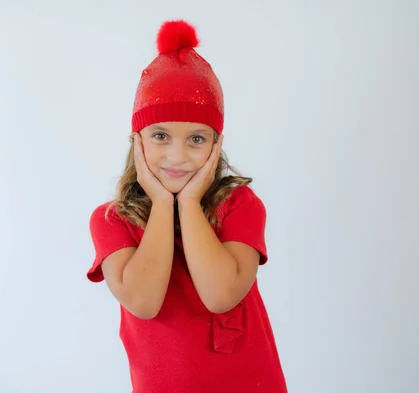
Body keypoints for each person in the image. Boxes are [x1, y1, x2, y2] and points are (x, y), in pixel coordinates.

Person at [86, 19, 287, 393]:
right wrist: (163, 202)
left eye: (196, 138)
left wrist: (190, 201)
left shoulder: (239, 205)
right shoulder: (112, 220)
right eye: (160, 136)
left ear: (216, 144)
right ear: (137, 140)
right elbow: (143, 302)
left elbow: (220, 295)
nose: (177, 156)